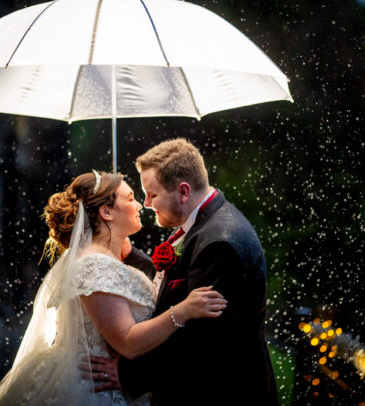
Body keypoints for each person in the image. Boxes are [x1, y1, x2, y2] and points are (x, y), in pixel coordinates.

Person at [0, 170, 227, 406]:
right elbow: (127, 342)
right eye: (131, 198)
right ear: (107, 212)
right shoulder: (95, 266)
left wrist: (120, 250)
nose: (140, 206)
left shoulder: (106, 260)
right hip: (92, 390)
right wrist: (183, 311)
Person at [88, 138, 279, 405]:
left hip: (218, 394)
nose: (146, 203)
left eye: (152, 194)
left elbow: (201, 343)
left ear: (184, 191)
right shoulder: (205, 222)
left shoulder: (218, 243)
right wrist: (129, 255)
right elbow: (170, 277)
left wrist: (131, 375)